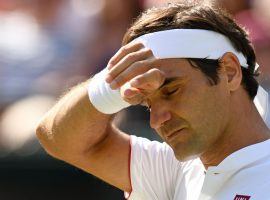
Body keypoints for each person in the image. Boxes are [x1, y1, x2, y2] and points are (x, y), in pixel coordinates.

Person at [36, 1, 270, 200]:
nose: (156, 120)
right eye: (148, 104)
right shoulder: (175, 170)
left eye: (171, 91)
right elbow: (59, 139)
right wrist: (110, 86)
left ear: (229, 72)